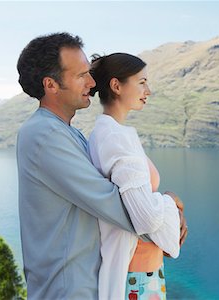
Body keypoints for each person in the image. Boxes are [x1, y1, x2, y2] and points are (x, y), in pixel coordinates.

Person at [16, 33, 188, 299]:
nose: (92, 82)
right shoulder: (45, 136)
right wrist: (169, 205)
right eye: (81, 75)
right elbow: (120, 207)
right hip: (69, 290)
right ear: (51, 84)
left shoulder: (66, 132)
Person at [88, 53, 184, 300]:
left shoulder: (115, 133)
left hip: (144, 268)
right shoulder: (114, 138)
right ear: (116, 86)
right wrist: (170, 202)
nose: (148, 90)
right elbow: (147, 219)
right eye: (141, 82)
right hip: (137, 273)